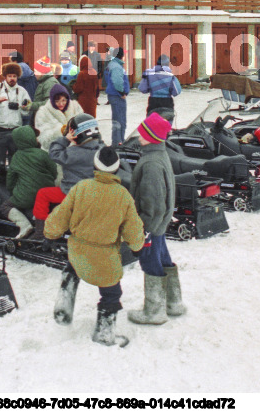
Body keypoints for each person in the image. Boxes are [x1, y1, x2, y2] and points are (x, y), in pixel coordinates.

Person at [45, 146, 145, 346]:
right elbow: (133, 229)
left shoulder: (81, 187)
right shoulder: (123, 196)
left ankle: (64, 303)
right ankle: (104, 332)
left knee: (71, 269)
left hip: (78, 251)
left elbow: (61, 215)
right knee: (111, 294)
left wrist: (50, 234)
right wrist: (137, 247)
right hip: (104, 259)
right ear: (117, 169)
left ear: (95, 166)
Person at [126, 112, 185, 326]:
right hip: (160, 223)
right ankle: (173, 302)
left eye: (142, 132)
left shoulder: (150, 163)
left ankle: (154, 311)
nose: (138, 135)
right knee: (162, 258)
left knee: (150, 262)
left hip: (151, 224)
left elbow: (153, 202)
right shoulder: (159, 154)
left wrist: (144, 229)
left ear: (151, 136)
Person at [33, 114, 104, 238]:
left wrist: (65, 139)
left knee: (42, 194)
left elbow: (54, 153)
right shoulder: (102, 149)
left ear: (77, 134)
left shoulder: (73, 152)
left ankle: (41, 230)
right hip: (94, 192)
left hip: (72, 192)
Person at [4, 126, 57, 238]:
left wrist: (13, 191)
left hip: (26, 196)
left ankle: (24, 224)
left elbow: (10, 179)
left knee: (5, 206)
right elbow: (54, 172)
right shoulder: (43, 154)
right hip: (47, 193)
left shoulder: (16, 157)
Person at [0, 62, 32, 166]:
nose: (12, 78)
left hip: (15, 130)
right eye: (9, 76)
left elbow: (28, 107)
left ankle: (13, 178)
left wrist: (24, 106)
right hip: (0, 130)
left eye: (14, 76)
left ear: (18, 77)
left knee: (15, 160)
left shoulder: (22, 91)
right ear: (5, 76)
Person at [34, 83, 83, 151]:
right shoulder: (43, 113)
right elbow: (43, 140)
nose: (61, 104)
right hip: (55, 152)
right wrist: (59, 131)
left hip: (75, 151)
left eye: (63, 100)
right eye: (57, 101)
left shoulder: (75, 107)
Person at [104, 47, 130, 146]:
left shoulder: (112, 64)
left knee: (117, 120)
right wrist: (122, 93)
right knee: (120, 121)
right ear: (122, 55)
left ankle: (117, 141)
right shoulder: (117, 67)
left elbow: (108, 79)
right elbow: (117, 82)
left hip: (113, 95)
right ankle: (118, 142)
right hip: (117, 96)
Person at [71, 54, 98, 118]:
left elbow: (78, 88)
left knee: (83, 118)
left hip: (83, 100)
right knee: (91, 116)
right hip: (92, 99)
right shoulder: (94, 72)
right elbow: (96, 87)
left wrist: (73, 86)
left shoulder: (82, 73)